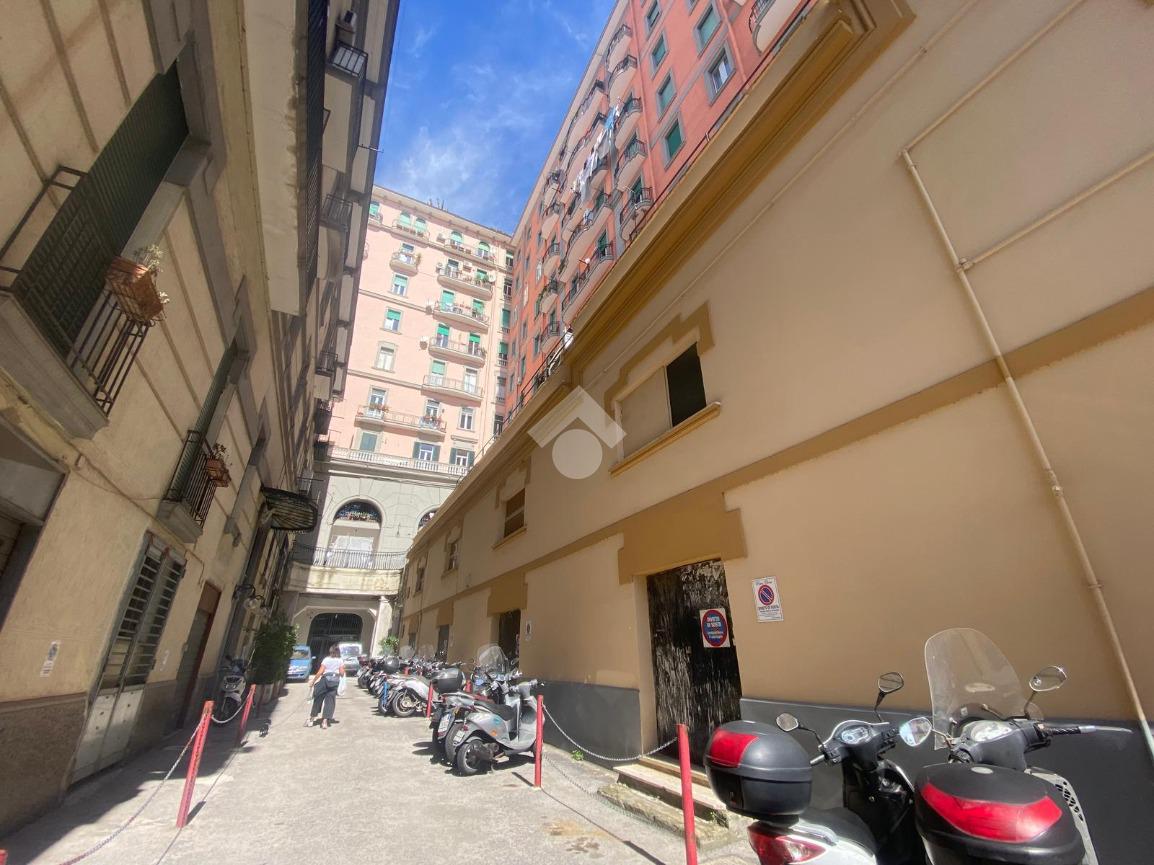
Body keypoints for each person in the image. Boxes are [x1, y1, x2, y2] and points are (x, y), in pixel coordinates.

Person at [307, 644, 343, 729]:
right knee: (330, 702)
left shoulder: (326, 659)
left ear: (330, 651)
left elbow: (320, 672)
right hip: (334, 683)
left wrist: (313, 681)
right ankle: (324, 722)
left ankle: (311, 719)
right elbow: (342, 673)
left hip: (325, 681)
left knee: (318, 699)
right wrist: (337, 673)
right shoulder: (340, 660)